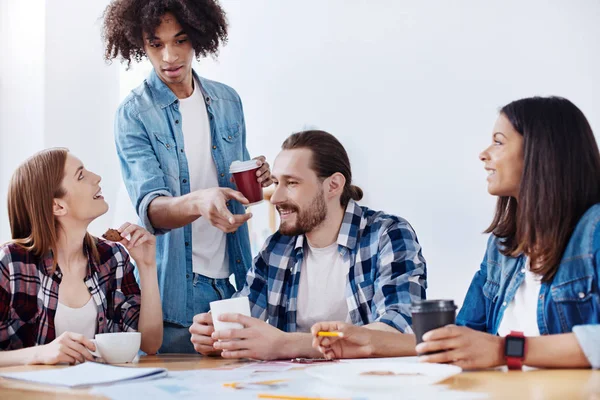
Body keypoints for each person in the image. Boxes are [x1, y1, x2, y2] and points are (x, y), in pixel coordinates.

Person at [312, 97, 600, 370]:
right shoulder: (504, 248)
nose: (483, 154)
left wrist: (504, 350)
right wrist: (368, 343)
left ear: (542, 152)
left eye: (498, 142)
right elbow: (463, 336)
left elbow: (494, 347)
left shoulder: (594, 229)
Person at [102, 0, 272, 353]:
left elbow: (231, 182)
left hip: (232, 286)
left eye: (180, 40)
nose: (169, 57)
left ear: (197, 35)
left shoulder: (227, 101)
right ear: (139, 43)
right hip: (174, 299)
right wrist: (200, 200)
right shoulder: (134, 114)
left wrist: (257, 176)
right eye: (156, 44)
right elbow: (152, 210)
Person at [189, 130, 427, 360]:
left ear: (333, 185)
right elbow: (240, 322)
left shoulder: (388, 235)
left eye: (291, 183)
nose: (277, 197)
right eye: (276, 182)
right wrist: (216, 333)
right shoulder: (277, 248)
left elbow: (400, 329)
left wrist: (287, 345)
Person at [0, 148, 162, 367]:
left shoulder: (112, 257)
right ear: (57, 206)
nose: (97, 178)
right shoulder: (11, 263)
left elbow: (150, 344)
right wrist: (38, 354)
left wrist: (147, 265)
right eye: (81, 175)